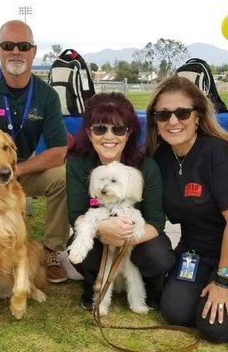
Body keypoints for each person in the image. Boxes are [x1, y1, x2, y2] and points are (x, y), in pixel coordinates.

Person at [0, 20, 69, 283]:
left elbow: (58, 151)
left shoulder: (46, 95)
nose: (16, 52)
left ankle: (52, 251)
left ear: (33, 51)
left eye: (23, 46)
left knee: (63, 177)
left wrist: (16, 170)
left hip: (23, 168)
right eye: (8, 45)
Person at [66, 92, 174, 310]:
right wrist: (104, 230)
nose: (109, 136)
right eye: (100, 128)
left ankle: (150, 288)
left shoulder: (146, 167)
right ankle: (94, 285)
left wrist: (124, 238)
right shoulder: (78, 163)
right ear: (89, 132)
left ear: (129, 132)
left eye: (118, 129)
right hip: (100, 230)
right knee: (78, 247)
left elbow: (156, 222)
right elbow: (75, 214)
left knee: (158, 254)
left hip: (138, 235)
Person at [146, 75, 228, 343]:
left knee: (215, 329)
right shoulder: (159, 158)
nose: (173, 121)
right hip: (195, 253)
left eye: (182, 113)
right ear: (155, 121)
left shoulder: (217, 152)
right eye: (163, 114)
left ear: (197, 116)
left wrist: (222, 281)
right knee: (175, 312)